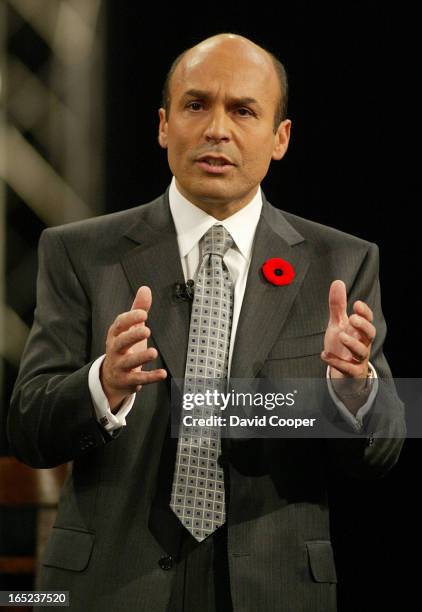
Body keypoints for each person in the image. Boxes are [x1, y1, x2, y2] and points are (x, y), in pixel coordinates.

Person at [8, 33, 405, 612]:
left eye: (243, 110)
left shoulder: (340, 263)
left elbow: (385, 447)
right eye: (197, 106)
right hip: (110, 588)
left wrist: (350, 394)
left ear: (280, 138)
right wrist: (103, 384)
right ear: (165, 125)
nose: (217, 128)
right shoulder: (80, 253)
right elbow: (27, 425)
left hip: (274, 588)